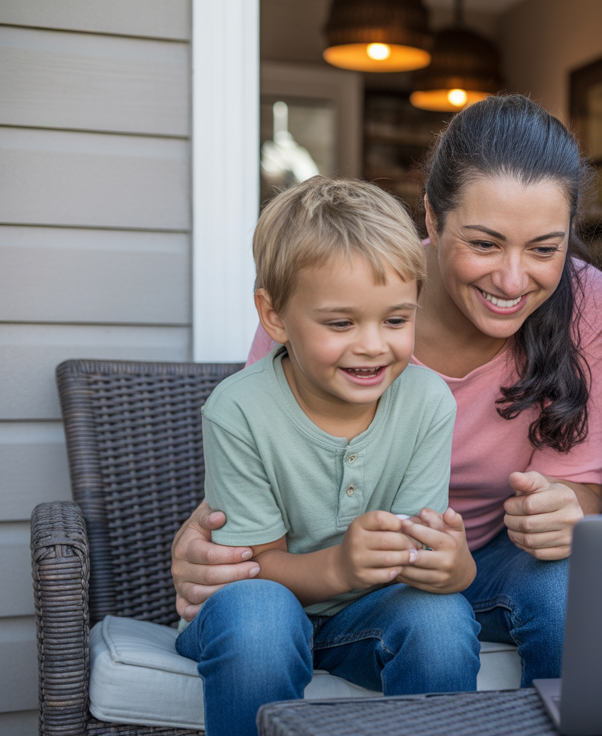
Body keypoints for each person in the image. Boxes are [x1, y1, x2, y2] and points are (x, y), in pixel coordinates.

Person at [170, 95, 602, 686]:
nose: (513, 279)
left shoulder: (584, 301)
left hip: (472, 562)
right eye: (484, 243)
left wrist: (566, 513)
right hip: (320, 559)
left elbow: (578, 487)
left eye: (544, 248)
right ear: (432, 218)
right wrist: (205, 543)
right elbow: (268, 436)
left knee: (565, 586)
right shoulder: (331, 294)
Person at [176, 177, 479, 736]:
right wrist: (341, 565)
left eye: (395, 319)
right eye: (341, 323)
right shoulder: (238, 410)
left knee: (440, 619)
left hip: (366, 617)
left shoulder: (426, 402)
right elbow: (250, 569)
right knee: (261, 620)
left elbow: (414, 560)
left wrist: (454, 568)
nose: (372, 344)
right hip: (254, 609)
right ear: (274, 317)